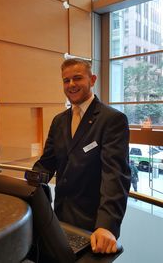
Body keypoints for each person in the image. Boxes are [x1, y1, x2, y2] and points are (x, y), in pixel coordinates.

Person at [28, 58, 131, 254]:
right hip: (58, 217)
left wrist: (107, 225)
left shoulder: (112, 119)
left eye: (77, 78)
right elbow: (46, 164)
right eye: (66, 80)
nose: (71, 85)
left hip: (93, 224)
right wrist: (27, 189)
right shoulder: (59, 121)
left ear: (92, 79)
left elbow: (115, 176)